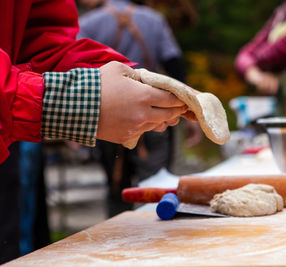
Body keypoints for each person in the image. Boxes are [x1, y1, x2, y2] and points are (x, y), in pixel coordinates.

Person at [0, 0, 192, 263]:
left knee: (116, 186)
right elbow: (173, 60)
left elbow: (44, 47)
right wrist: (73, 101)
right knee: (154, 180)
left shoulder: (92, 21)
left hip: (114, 113)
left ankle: (122, 228)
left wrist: (131, 83)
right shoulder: (154, 20)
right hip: (121, 113)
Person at [77, 0, 193, 217]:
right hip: (155, 116)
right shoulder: (154, 20)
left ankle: (117, 243)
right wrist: (189, 111)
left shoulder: (88, 24)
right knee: (159, 187)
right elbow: (174, 65)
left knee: (116, 190)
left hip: (107, 119)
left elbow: (75, 72)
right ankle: (161, 239)